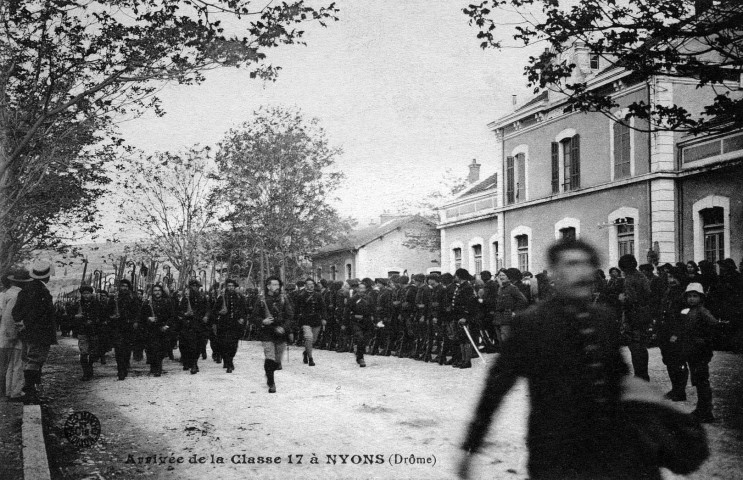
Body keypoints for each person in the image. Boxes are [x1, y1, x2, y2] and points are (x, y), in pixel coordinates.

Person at [458, 239, 662, 480]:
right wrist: (470, 447)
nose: (582, 272)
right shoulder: (531, 323)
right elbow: (496, 387)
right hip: (554, 450)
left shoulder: (604, 318)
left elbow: (619, 381)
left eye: (588, 265)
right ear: (554, 273)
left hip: (607, 447)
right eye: (572, 264)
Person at [665, 283, 719, 422]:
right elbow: (683, 327)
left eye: (695, 296)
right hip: (691, 351)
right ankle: (702, 409)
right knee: (698, 380)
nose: (692, 299)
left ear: (701, 298)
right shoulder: (688, 311)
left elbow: (714, 325)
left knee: (701, 380)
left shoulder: (702, 311)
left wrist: (704, 339)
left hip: (700, 351)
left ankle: (706, 411)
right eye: (689, 296)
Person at [12, 260, 57, 404]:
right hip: (40, 333)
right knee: (35, 361)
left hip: (27, 334)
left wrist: (22, 325)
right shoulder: (42, 292)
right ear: (46, 276)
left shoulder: (25, 290)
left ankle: (31, 392)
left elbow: (16, 312)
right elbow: (41, 314)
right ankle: (30, 392)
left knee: (28, 360)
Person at [252, 277, 293, 393]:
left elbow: (290, 316)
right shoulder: (261, 299)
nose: (277, 287)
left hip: (280, 333)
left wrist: (284, 328)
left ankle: (269, 370)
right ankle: (271, 382)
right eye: (274, 284)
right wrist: (262, 321)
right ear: (268, 286)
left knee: (277, 361)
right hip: (267, 332)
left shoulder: (284, 299)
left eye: (278, 285)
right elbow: (253, 317)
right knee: (269, 357)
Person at [619, 254, 652, 381]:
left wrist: (622, 298)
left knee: (635, 347)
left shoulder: (629, 279)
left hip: (633, 317)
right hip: (643, 315)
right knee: (642, 347)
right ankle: (644, 375)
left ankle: (640, 376)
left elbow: (631, 299)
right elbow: (647, 294)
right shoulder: (642, 276)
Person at [0, 270, 29, 401]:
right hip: (14, 334)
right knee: (18, 363)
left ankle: (8, 390)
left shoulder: (7, 293)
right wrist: (15, 333)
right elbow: (10, 317)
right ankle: (16, 391)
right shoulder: (18, 294)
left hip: (6, 333)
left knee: (10, 364)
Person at [106, 278, 141, 380]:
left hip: (129, 326)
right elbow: (108, 312)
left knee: (127, 349)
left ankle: (125, 367)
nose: (124, 288)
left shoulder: (132, 298)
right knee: (118, 348)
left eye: (126, 286)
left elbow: (137, 311)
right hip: (117, 326)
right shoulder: (114, 298)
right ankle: (120, 370)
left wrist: (135, 321)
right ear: (119, 287)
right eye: (123, 286)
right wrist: (112, 317)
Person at [212, 279, 247, 373]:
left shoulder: (239, 297)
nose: (231, 287)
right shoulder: (221, 297)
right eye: (229, 286)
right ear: (226, 287)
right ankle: (228, 362)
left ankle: (229, 360)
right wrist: (220, 312)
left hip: (235, 324)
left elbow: (244, 310)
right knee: (224, 344)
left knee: (233, 345)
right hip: (224, 324)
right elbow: (214, 311)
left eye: (232, 286)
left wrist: (242, 319)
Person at [142, 284, 175, 377]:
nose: (157, 292)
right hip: (151, 329)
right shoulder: (148, 303)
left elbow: (172, 316)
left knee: (161, 349)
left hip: (162, 328)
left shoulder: (167, 302)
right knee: (152, 349)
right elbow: (142, 316)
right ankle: (154, 366)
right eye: (155, 290)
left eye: (159, 290)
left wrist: (167, 326)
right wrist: (148, 318)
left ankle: (158, 368)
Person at [178, 280, 210, 374]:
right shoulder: (185, 298)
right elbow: (179, 311)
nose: (194, 288)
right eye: (192, 286)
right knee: (188, 345)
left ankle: (194, 362)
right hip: (188, 324)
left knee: (198, 345)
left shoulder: (202, 297)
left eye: (196, 286)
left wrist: (206, 316)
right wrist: (185, 314)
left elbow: (207, 309)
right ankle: (190, 363)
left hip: (199, 324)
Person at [72, 285, 103, 381]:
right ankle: (86, 372)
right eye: (84, 294)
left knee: (93, 353)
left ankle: (90, 366)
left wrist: (94, 321)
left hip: (94, 331)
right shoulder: (78, 304)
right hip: (82, 331)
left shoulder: (97, 304)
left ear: (91, 294)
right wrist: (77, 317)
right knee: (84, 352)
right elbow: (71, 316)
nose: (86, 296)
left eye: (88, 293)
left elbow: (101, 316)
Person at [295, 278, 326, 366]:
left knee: (314, 340)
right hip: (305, 320)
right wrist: (295, 321)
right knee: (309, 338)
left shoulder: (318, 295)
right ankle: (311, 358)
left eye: (312, 284)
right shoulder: (301, 295)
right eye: (308, 284)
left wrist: (324, 318)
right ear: (305, 286)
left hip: (316, 320)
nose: (311, 286)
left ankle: (306, 352)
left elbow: (323, 308)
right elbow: (297, 309)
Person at [452, 268, 479, 369]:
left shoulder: (467, 287)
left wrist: (465, 317)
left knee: (466, 340)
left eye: (456, 275)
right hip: (459, 316)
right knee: (461, 339)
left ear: (459, 276)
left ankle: (467, 361)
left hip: (464, 317)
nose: (454, 277)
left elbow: (470, 304)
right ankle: (463, 360)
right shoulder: (461, 287)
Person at [347, 278, 375, 367]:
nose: (362, 290)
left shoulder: (369, 298)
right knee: (360, 338)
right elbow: (347, 312)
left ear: (366, 289)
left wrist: (377, 321)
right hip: (356, 322)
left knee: (365, 340)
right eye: (360, 288)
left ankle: (359, 354)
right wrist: (347, 321)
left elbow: (373, 310)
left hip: (367, 322)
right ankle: (361, 357)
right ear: (357, 289)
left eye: (363, 288)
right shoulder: (353, 299)